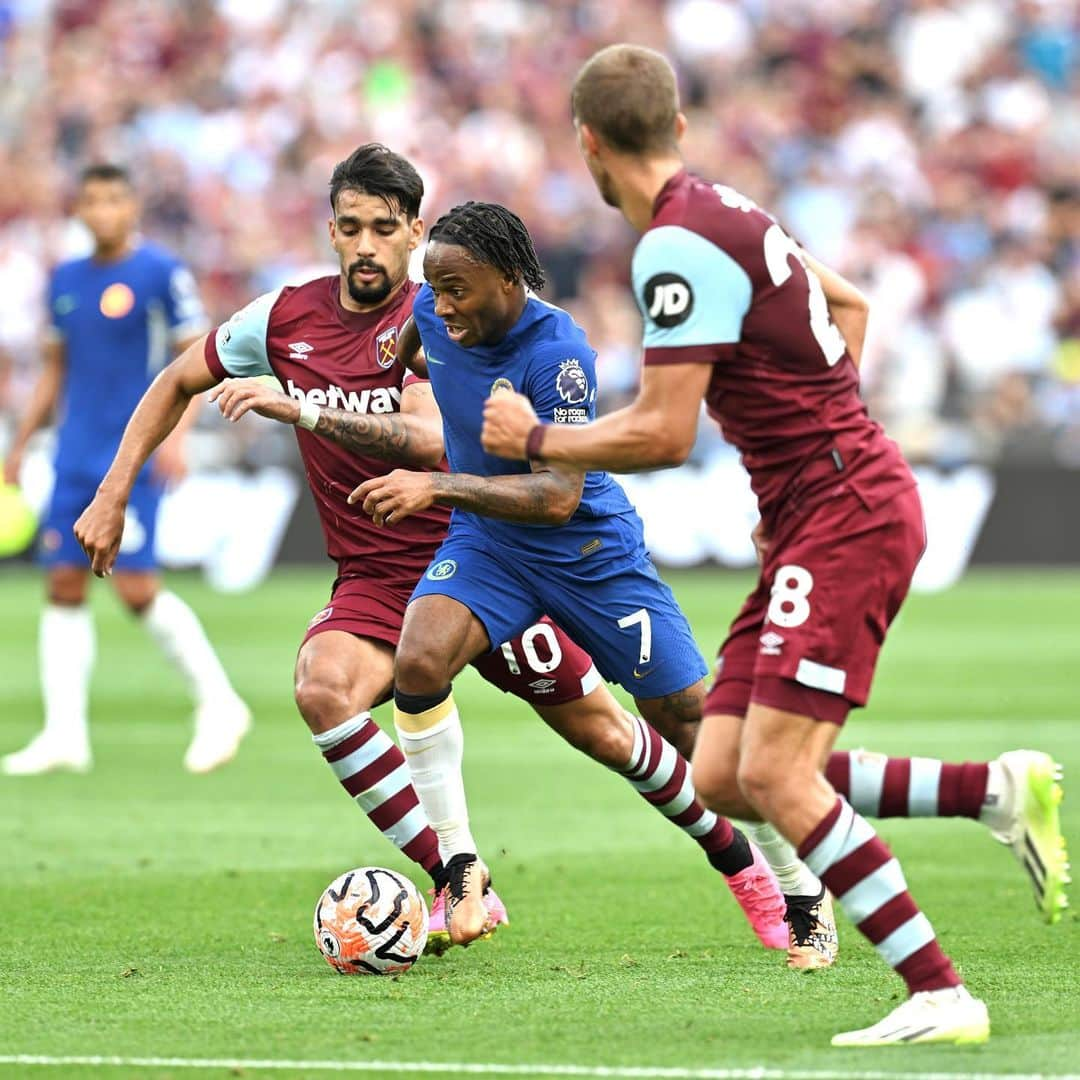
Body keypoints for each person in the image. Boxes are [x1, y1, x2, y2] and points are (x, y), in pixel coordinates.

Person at [480, 45, 1069, 1044]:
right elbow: (849, 306)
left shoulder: (674, 245)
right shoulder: (735, 211)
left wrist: (534, 438)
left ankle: (939, 991)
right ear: (675, 126)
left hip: (843, 510)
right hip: (824, 503)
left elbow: (665, 434)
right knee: (721, 770)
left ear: (585, 142)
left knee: (781, 776)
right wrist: (809, 453)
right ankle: (994, 791)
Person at [74, 145, 794, 952]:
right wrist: (113, 492)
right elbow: (177, 377)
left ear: (415, 231)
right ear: (333, 231)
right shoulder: (282, 318)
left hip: (488, 552)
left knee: (607, 734)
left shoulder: (441, 313)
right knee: (324, 689)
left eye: (386, 228)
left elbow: (424, 439)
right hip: (381, 579)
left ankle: (739, 863)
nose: (367, 245)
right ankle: (460, 875)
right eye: (352, 228)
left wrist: (305, 409)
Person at [343, 198, 786, 950]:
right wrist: (402, 378)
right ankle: (459, 867)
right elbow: (412, 348)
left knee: (682, 723)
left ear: (511, 278)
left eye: (459, 290)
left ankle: (774, 872)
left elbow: (557, 497)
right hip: (488, 546)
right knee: (419, 660)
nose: (442, 304)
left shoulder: (559, 354)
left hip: (586, 553)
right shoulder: (430, 307)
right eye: (436, 287)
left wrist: (438, 483)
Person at [2, 163, 250, 777]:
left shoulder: (160, 273)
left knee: (136, 587)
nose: (103, 210)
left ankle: (220, 703)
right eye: (91, 200)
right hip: (72, 455)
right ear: (79, 210)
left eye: (115, 198)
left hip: (130, 456)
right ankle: (65, 736)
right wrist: (19, 444)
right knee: (63, 584)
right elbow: (55, 371)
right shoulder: (64, 279)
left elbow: (194, 360)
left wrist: (180, 436)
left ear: (132, 206)